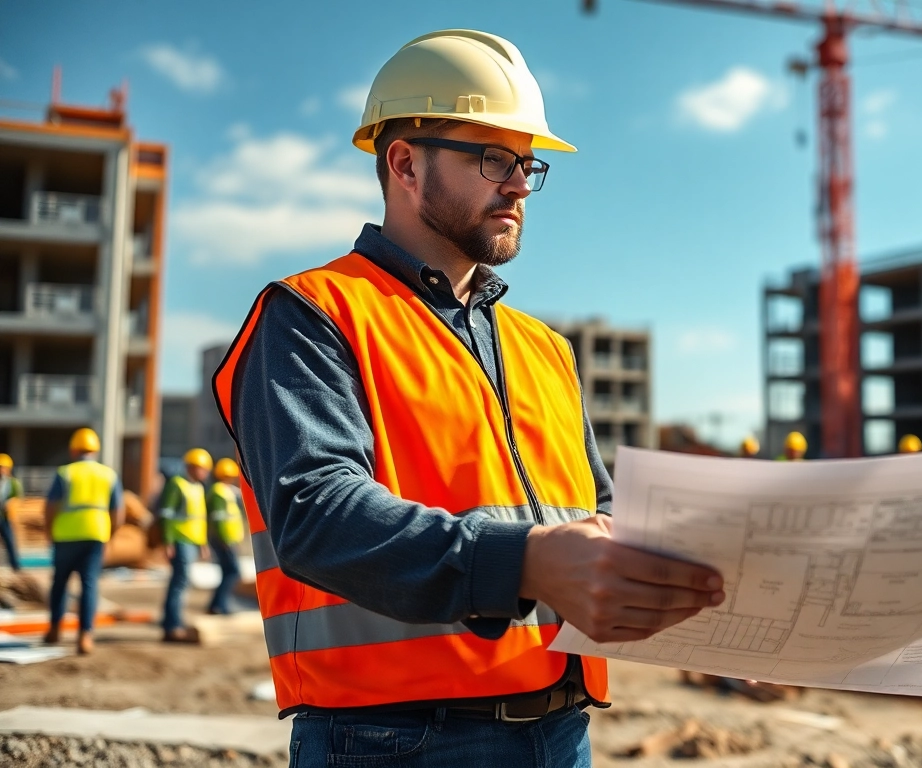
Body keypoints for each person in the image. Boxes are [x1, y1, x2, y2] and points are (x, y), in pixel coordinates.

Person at [210, 29, 724, 766]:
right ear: (405, 162)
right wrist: (526, 563)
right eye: (492, 158)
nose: (518, 184)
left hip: (562, 728)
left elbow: (596, 516)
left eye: (526, 164)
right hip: (396, 738)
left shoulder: (544, 348)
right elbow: (315, 513)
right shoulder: (313, 314)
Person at [44, 428, 123, 655]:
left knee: (59, 584)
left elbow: (50, 506)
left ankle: (55, 629)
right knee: (89, 585)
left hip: (66, 536)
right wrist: (111, 534)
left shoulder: (65, 473)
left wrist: (49, 531)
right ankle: (85, 636)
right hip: (95, 535)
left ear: (73, 450)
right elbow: (118, 510)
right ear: (95, 451)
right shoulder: (108, 474)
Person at [159, 448, 211, 642]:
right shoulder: (177, 484)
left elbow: (199, 519)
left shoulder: (198, 488)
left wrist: (203, 543)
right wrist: (168, 542)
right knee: (179, 583)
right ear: (191, 467)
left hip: (192, 541)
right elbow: (166, 515)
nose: (205, 473)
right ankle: (172, 626)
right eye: (202, 468)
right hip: (180, 541)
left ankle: (172, 623)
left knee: (182, 583)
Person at [205, 457, 244, 615]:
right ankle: (220, 605)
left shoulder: (226, 491)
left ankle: (216, 605)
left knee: (228, 572)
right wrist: (225, 540)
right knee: (233, 572)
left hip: (228, 538)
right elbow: (219, 519)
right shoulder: (219, 492)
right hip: (223, 539)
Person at [0, 453, 24, 570]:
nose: (1, 470)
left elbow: (19, 497)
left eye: (3, 467)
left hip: (6, 518)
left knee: (10, 542)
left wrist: (12, 502)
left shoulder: (13, 483)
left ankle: (15, 567)